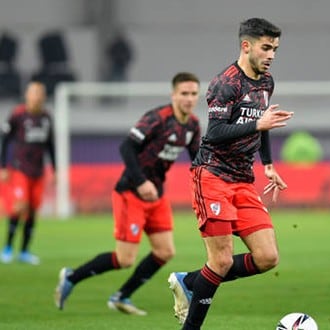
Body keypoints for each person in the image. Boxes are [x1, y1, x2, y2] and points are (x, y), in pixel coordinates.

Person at [167, 18, 293, 330]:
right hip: (212, 175)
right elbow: (216, 132)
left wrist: (267, 164)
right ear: (246, 46)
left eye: (275, 49)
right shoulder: (226, 84)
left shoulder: (266, 82)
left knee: (267, 257)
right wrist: (258, 124)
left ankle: (190, 281)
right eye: (266, 48)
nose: (271, 55)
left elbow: (262, 125)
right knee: (221, 260)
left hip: (243, 180)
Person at [54, 72, 202, 315]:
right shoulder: (157, 118)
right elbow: (126, 146)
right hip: (131, 192)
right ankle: (72, 276)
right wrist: (142, 182)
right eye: (184, 93)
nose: (188, 98)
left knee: (165, 252)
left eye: (193, 94)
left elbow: (197, 158)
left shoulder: (192, 125)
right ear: (173, 95)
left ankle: (121, 296)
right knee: (125, 259)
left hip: (156, 195)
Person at [0, 80, 55, 265]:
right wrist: (3, 166)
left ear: (44, 96)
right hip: (19, 168)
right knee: (19, 206)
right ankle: (7, 248)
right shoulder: (18, 115)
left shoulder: (47, 117)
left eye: (40, 93)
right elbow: (5, 140)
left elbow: (50, 144)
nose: (37, 96)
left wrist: (53, 168)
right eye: (34, 93)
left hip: (38, 171)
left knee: (32, 211)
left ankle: (24, 251)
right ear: (27, 95)